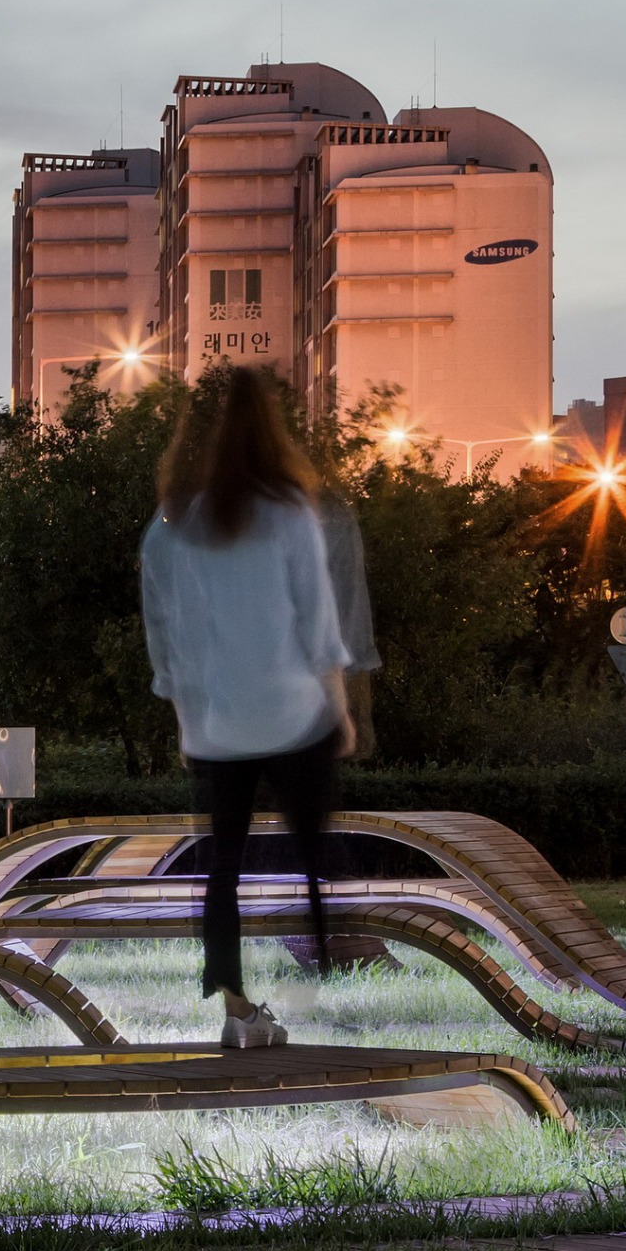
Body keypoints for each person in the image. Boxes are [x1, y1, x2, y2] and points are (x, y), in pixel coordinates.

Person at [136, 367, 379, 1050]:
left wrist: (188, 722)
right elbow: (318, 621)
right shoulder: (288, 513)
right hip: (293, 713)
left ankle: (237, 1010)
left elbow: (167, 639)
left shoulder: (169, 532)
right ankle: (328, 965)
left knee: (223, 869)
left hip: (218, 724)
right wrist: (340, 713)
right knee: (315, 849)